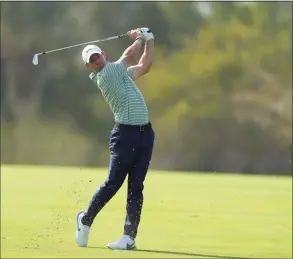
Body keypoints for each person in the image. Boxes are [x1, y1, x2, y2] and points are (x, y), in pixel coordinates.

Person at [75, 28, 155, 250]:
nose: (96, 60)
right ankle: (85, 220)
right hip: (125, 136)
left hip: (145, 135)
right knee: (113, 184)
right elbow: (129, 56)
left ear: (103, 53)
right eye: (91, 60)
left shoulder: (121, 75)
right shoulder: (106, 75)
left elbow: (144, 66)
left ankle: (129, 238)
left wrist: (150, 40)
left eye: (96, 56)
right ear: (88, 67)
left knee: (136, 187)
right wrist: (139, 36)